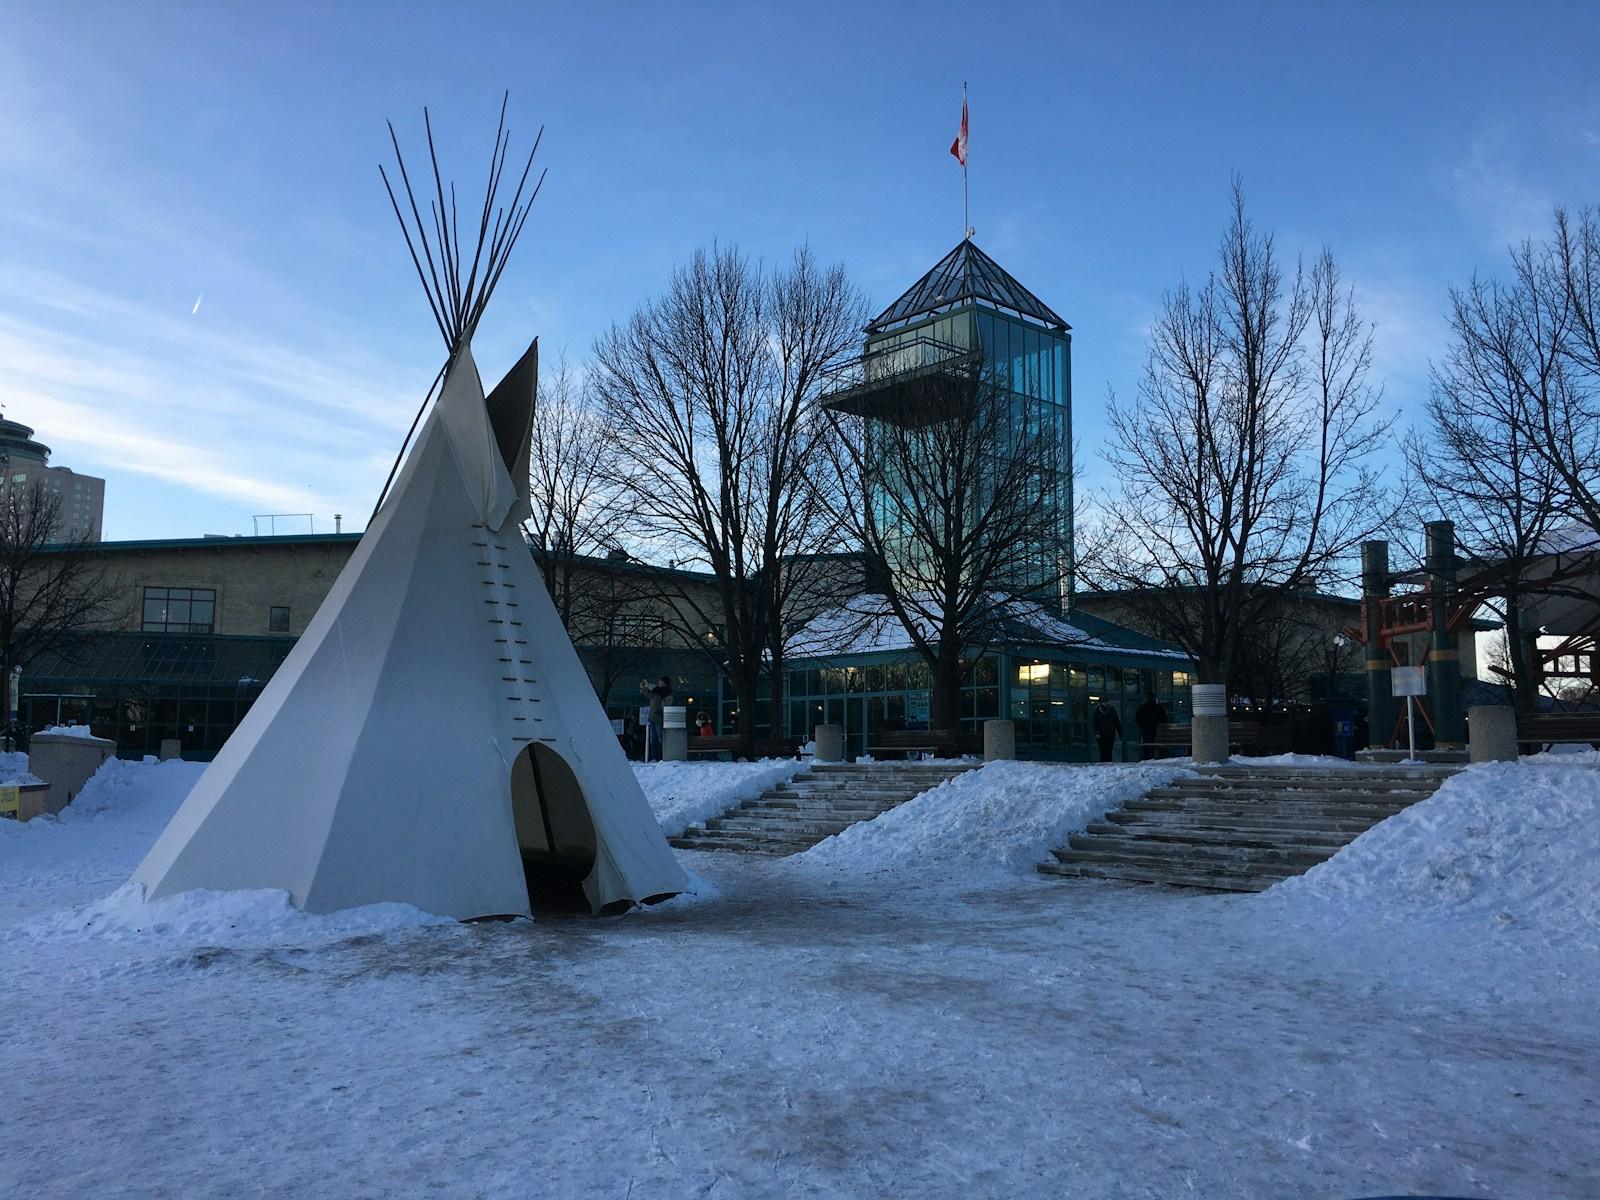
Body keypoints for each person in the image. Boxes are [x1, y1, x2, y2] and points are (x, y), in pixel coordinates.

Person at [641, 676, 673, 762]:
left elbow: (661, 693)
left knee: (660, 738)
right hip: (653, 717)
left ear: (665, 683)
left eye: (660, 681)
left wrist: (648, 685)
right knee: (653, 739)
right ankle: (655, 757)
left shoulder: (666, 692)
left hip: (659, 718)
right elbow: (649, 695)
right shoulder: (657, 692)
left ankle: (662, 756)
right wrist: (645, 688)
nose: (659, 683)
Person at [1135, 691, 1167, 759]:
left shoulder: (1142, 708)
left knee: (1148, 745)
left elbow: (1138, 719)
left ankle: (1148, 757)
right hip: (1156, 730)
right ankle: (1153, 756)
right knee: (1153, 744)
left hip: (1147, 730)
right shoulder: (1158, 708)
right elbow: (1164, 719)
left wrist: (1143, 725)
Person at [1092, 698, 1122, 763]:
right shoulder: (1098, 710)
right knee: (1102, 750)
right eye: (1103, 702)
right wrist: (1097, 732)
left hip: (1110, 733)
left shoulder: (1111, 710)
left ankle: (1108, 763)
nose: (1105, 703)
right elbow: (1095, 723)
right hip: (1101, 733)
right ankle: (1103, 763)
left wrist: (1120, 733)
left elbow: (1116, 722)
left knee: (1109, 750)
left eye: (1105, 702)